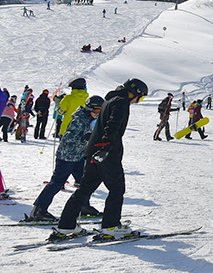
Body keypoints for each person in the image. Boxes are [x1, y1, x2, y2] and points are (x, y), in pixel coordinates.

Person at [52, 78, 148, 240]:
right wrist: (105, 147)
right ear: (135, 93)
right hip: (107, 153)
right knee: (117, 189)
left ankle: (66, 225)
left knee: (84, 189)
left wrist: (94, 141)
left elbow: (100, 125)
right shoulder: (121, 102)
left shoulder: (110, 100)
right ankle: (111, 226)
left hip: (93, 151)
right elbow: (113, 125)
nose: (138, 101)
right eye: (141, 97)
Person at [28, 96, 105, 222]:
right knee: (57, 182)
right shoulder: (79, 119)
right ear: (89, 108)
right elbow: (68, 137)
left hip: (78, 156)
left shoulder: (88, 118)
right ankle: (39, 210)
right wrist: (83, 138)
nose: (97, 114)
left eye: (100, 112)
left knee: (84, 182)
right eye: (96, 111)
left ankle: (83, 206)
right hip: (67, 156)